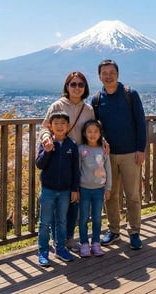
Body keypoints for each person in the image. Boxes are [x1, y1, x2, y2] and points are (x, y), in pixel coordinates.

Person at [92, 59, 146, 250]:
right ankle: (114, 230)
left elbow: (141, 123)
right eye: (104, 73)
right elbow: (93, 128)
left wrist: (141, 149)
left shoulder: (130, 94)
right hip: (108, 156)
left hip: (131, 154)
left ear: (118, 74)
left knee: (132, 195)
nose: (108, 76)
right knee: (111, 195)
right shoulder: (97, 99)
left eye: (111, 72)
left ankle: (135, 231)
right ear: (99, 76)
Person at [39, 71, 94, 253]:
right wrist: (47, 139)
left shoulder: (88, 110)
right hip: (59, 159)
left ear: (85, 88)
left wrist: (104, 143)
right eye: (73, 84)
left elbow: (94, 131)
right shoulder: (57, 105)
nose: (77, 88)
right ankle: (57, 240)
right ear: (67, 86)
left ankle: (69, 237)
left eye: (80, 84)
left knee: (73, 200)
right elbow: (45, 127)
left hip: (80, 161)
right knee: (58, 202)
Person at [35, 111, 80, 266]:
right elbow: (39, 164)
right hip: (48, 189)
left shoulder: (72, 145)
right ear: (50, 126)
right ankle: (43, 251)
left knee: (62, 221)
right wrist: (47, 151)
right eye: (56, 123)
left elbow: (76, 169)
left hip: (65, 190)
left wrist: (75, 189)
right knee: (45, 222)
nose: (59, 126)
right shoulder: (46, 143)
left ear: (68, 126)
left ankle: (60, 248)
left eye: (63, 124)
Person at [78, 119, 112, 257]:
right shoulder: (81, 149)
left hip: (99, 189)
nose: (92, 134)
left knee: (97, 217)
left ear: (100, 134)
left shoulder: (103, 149)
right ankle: (84, 243)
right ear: (84, 133)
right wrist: (75, 188)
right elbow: (77, 169)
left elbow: (108, 169)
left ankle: (96, 243)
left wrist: (108, 187)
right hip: (84, 188)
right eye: (89, 132)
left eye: (95, 131)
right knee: (84, 217)